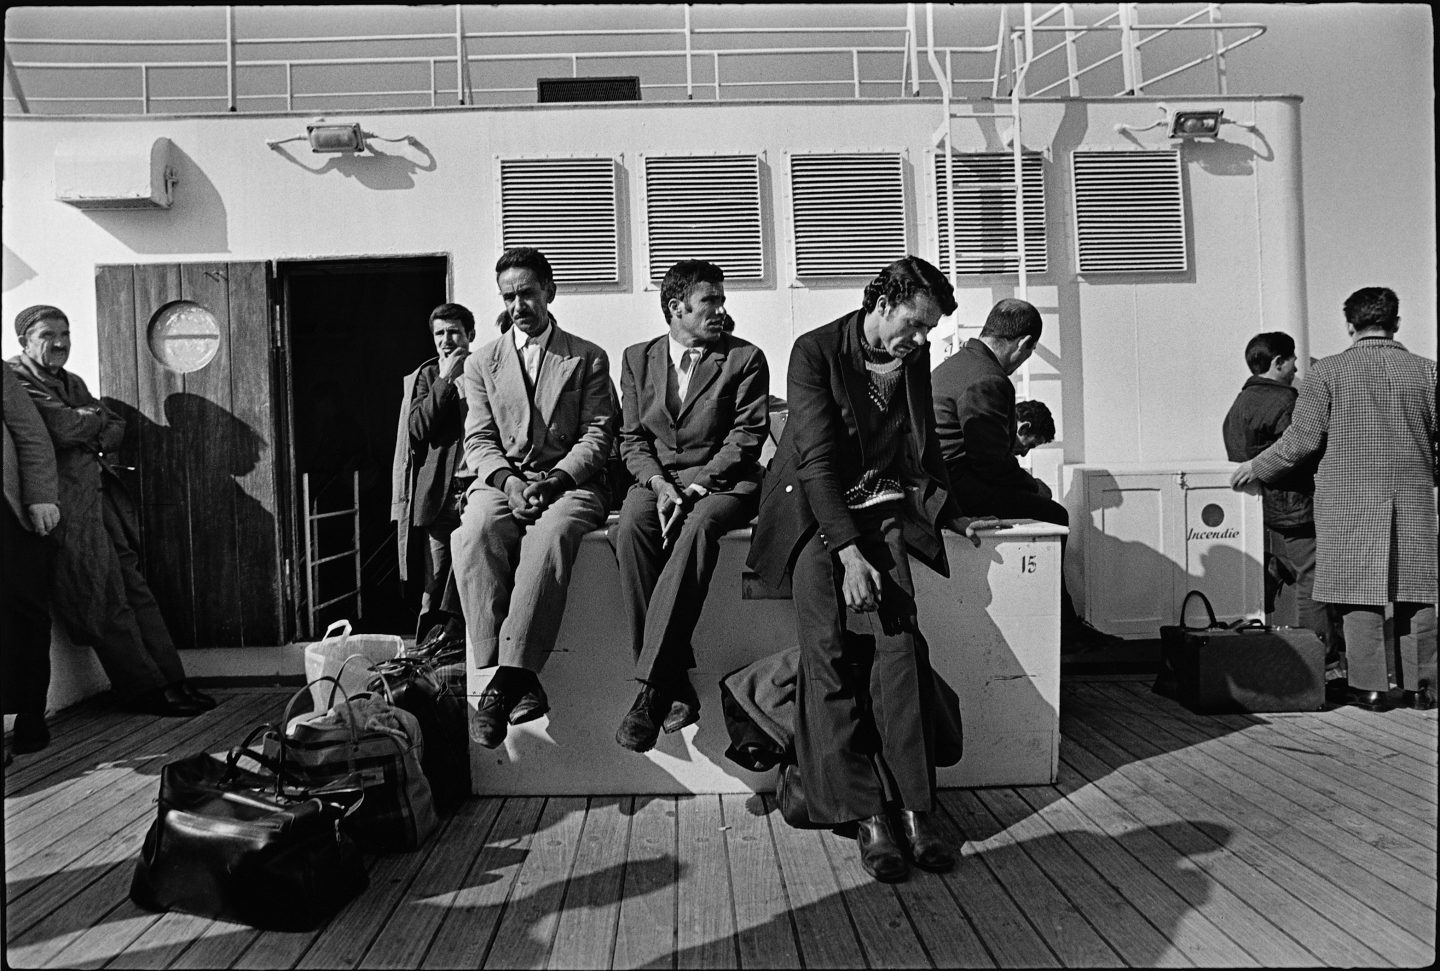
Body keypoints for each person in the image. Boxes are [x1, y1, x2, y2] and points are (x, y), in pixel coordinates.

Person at [746, 256, 998, 884]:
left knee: (899, 649)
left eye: (929, 331)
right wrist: (847, 553)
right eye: (915, 325)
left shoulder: (909, 360)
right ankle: (869, 818)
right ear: (883, 305)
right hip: (812, 511)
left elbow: (925, 445)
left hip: (880, 508)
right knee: (827, 653)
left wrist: (952, 513)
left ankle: (916, 809)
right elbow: (816, 460)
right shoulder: (815, 352)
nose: (922, 341)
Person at [1232, 288, 1436, 712]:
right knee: (1415, 591)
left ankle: (1371, 689)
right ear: (1396, 322)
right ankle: (1422, 688)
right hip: (1413, 497)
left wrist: (1257, 467)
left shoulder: (1328, 373)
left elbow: (1301, 441)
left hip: (1348, 500)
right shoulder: (1428, 373)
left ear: (1350, 325)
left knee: (1358, 593)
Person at [7, 305, 213, 717]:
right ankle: (144, 689)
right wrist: (90, 420)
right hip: (67, 507)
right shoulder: (17, 378)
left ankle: (172, 679)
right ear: (24, 341)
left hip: (100, 497)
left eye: (65, 332)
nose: (60, 342)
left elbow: (115, 427)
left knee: (136, 588)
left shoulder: (71, 381)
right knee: (101, 594)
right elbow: (63, 429)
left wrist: (88, 420)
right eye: (48, 335)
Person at [452, 248, 618, 747]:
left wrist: (554, 482)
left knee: (550, 537)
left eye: (526, 293)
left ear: (549, 291)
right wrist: (510, 483)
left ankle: (503, 685)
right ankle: (513, 673)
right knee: (474, 532)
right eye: (508, 296)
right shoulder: (482, 362)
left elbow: (597, 435)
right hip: (504, 483)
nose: (518, 305)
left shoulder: (586, 356)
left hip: (570, 485)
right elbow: (478, 439)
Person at [610, 260, 769, 753]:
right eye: (711, 302)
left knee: (697, 528)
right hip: (658, 482)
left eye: (721, 301)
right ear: (676, 308)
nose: (721, 310)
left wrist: (697, 487)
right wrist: (658, 485)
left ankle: (651, 691)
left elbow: (747, 436)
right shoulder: (637, 359)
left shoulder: (745, 358)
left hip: (724, 484)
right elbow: (632, 438)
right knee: (632, 527)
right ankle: (675, 681)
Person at [931, 298, 1117, 652]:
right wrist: (1035, 488)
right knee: (1054, 514)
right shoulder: (990, 378)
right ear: (1024, 344)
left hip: (943, 484)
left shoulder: (950, 367)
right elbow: (990, 463)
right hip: (962, 488)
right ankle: (1064, 628)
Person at [1222, 332, 1339, 668]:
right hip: (1297, 506)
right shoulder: (1288, 402)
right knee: (1312, 580)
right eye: (1292, 361)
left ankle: (1279, 568)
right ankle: (1320, 659)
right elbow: (1302, 448)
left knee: (1303, 574)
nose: (1296, 368)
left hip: (1265, 509)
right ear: (1277, 363)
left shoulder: (1239, 405)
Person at [391, 302, 476, 655]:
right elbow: (417, 430)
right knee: (436, 579)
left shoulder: (486, 369)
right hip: (441, 496)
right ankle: (424, 659)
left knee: (472, 573)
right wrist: (445, 380)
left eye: (454, 332)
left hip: (478, 491)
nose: (446, 340)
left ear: (470, 334)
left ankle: (467, 661)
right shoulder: (427, 377)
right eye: (439, 333)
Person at [3, 364, 61, 760]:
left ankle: (31, 714)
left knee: (27, 610)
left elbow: (32, 434)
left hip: (6, 513)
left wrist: (40, 494)